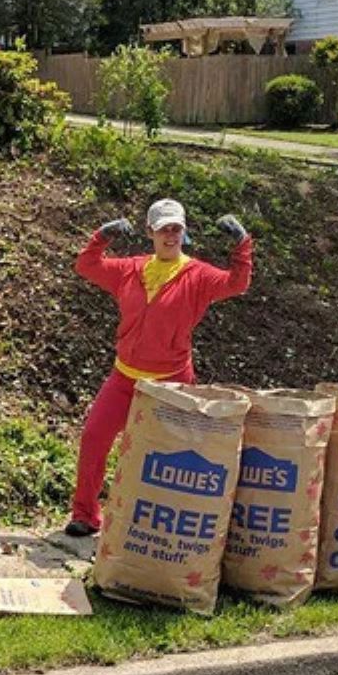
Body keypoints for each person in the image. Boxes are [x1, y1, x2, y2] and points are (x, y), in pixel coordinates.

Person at [65, 197, 253, 537]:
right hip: (125, 377)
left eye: (176, 229)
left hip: (171, 385)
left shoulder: (198, 275)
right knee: (94, 436)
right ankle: (85, 515)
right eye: (164, 229)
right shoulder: (130, 269)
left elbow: (237, 283)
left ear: (184, 232)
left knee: (164, 455)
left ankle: (155, 525)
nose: (171, 235)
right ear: (150, 232)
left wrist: (241, 244)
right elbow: (87, 265)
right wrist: (102, 237)